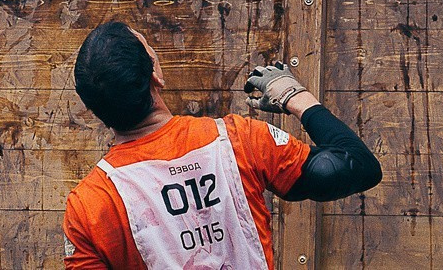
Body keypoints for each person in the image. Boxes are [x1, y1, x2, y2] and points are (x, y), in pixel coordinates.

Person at [62, 21, 382, 269]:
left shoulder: (89, 205)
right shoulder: (238, 140)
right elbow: (356, 166)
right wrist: (296, 98)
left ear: (93, 108)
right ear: (155, 75)